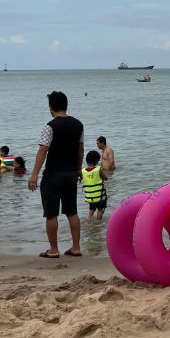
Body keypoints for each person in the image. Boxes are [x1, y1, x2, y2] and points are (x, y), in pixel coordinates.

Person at [29, 91, 85, 259]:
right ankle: (76, 248)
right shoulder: (78, 125)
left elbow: (42, 151)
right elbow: (80, 149)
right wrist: (78, 169)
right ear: (66, 106)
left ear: (51, 108)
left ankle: (53, 249)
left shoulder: (50, 126)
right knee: (72, 212)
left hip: (53, 174)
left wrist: (34, 175)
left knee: (51, 213)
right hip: (71, 174)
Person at [81, 149, 108, 224]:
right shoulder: (98, 169)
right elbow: (105, 178)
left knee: (92, 209)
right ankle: (99, 223)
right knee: (100, 209)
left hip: (90, 197)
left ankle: (88, 222)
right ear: (96, 161)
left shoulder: (83, 171)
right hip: (99, 196)